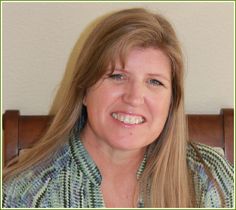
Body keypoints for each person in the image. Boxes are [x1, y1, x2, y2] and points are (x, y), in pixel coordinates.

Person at [3, 8, 234, 208]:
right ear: (84, 90)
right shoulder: (24, 194)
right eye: (117, 76)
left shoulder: (211, 177)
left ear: (172, 102)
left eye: (155, 81)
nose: (134, 98)